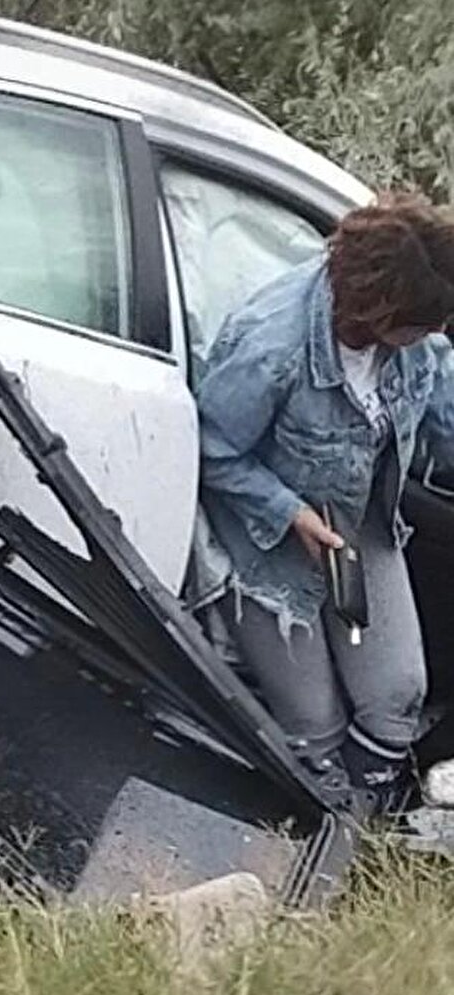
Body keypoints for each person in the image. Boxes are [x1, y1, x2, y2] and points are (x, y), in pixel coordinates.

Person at [194, 192, 454, 810]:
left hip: (358, 521)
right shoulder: (272, 347)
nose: (435, 335)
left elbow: (444, 413)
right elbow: (211, 448)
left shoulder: (415, 340)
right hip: (268, 547)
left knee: (397, 696)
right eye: (423, 325)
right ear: (375, 306)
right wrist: (290, 513)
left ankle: (365, 828)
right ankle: (317, 832)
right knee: (315, 723)